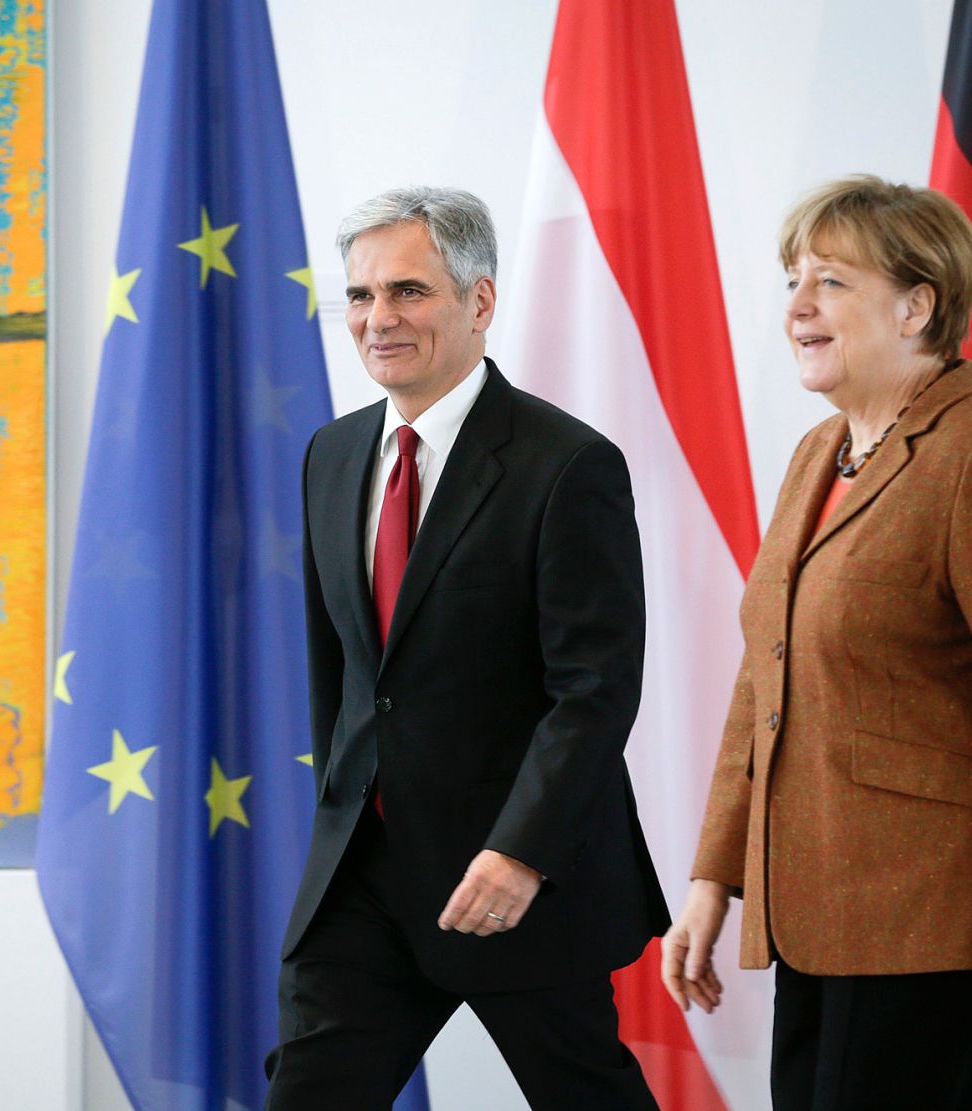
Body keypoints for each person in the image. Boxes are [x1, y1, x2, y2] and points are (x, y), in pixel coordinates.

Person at [661, 175, 972, 1110]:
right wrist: (714, 876)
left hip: (935, 915)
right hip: (816, 914)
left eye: (829, 281)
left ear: (918, 306)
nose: (796, 307)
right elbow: (764, 682)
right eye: (793, 279)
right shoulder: (817, 454)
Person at [264, 187, 668, 1110]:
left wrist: (522, 850)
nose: (377, 319)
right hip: (363, 878)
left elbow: (595, 689)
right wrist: (339, 815)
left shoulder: (568, 465)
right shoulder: (332, 453)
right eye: (361, 296)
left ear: (480, 301)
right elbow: (344, 674)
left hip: (512, 878)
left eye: (407, 291)